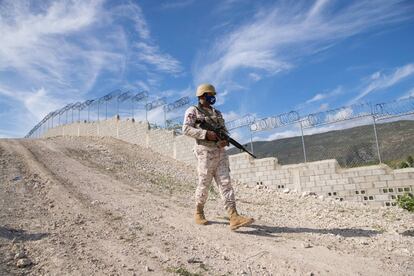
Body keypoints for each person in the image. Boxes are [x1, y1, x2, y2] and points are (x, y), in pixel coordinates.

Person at [182, 83, 254, 230]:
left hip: (220, 153)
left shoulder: (218, 113)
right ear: (201, 96)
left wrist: (224, 140)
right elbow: (186, 129)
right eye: (209, 95)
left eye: (213, 95)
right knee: (204, 184)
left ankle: (234, 216)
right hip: (205, 153)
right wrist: (205, 134)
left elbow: (223, 131)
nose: (212, 98)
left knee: (226, 183)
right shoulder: (193, 111)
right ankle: (199, 211)